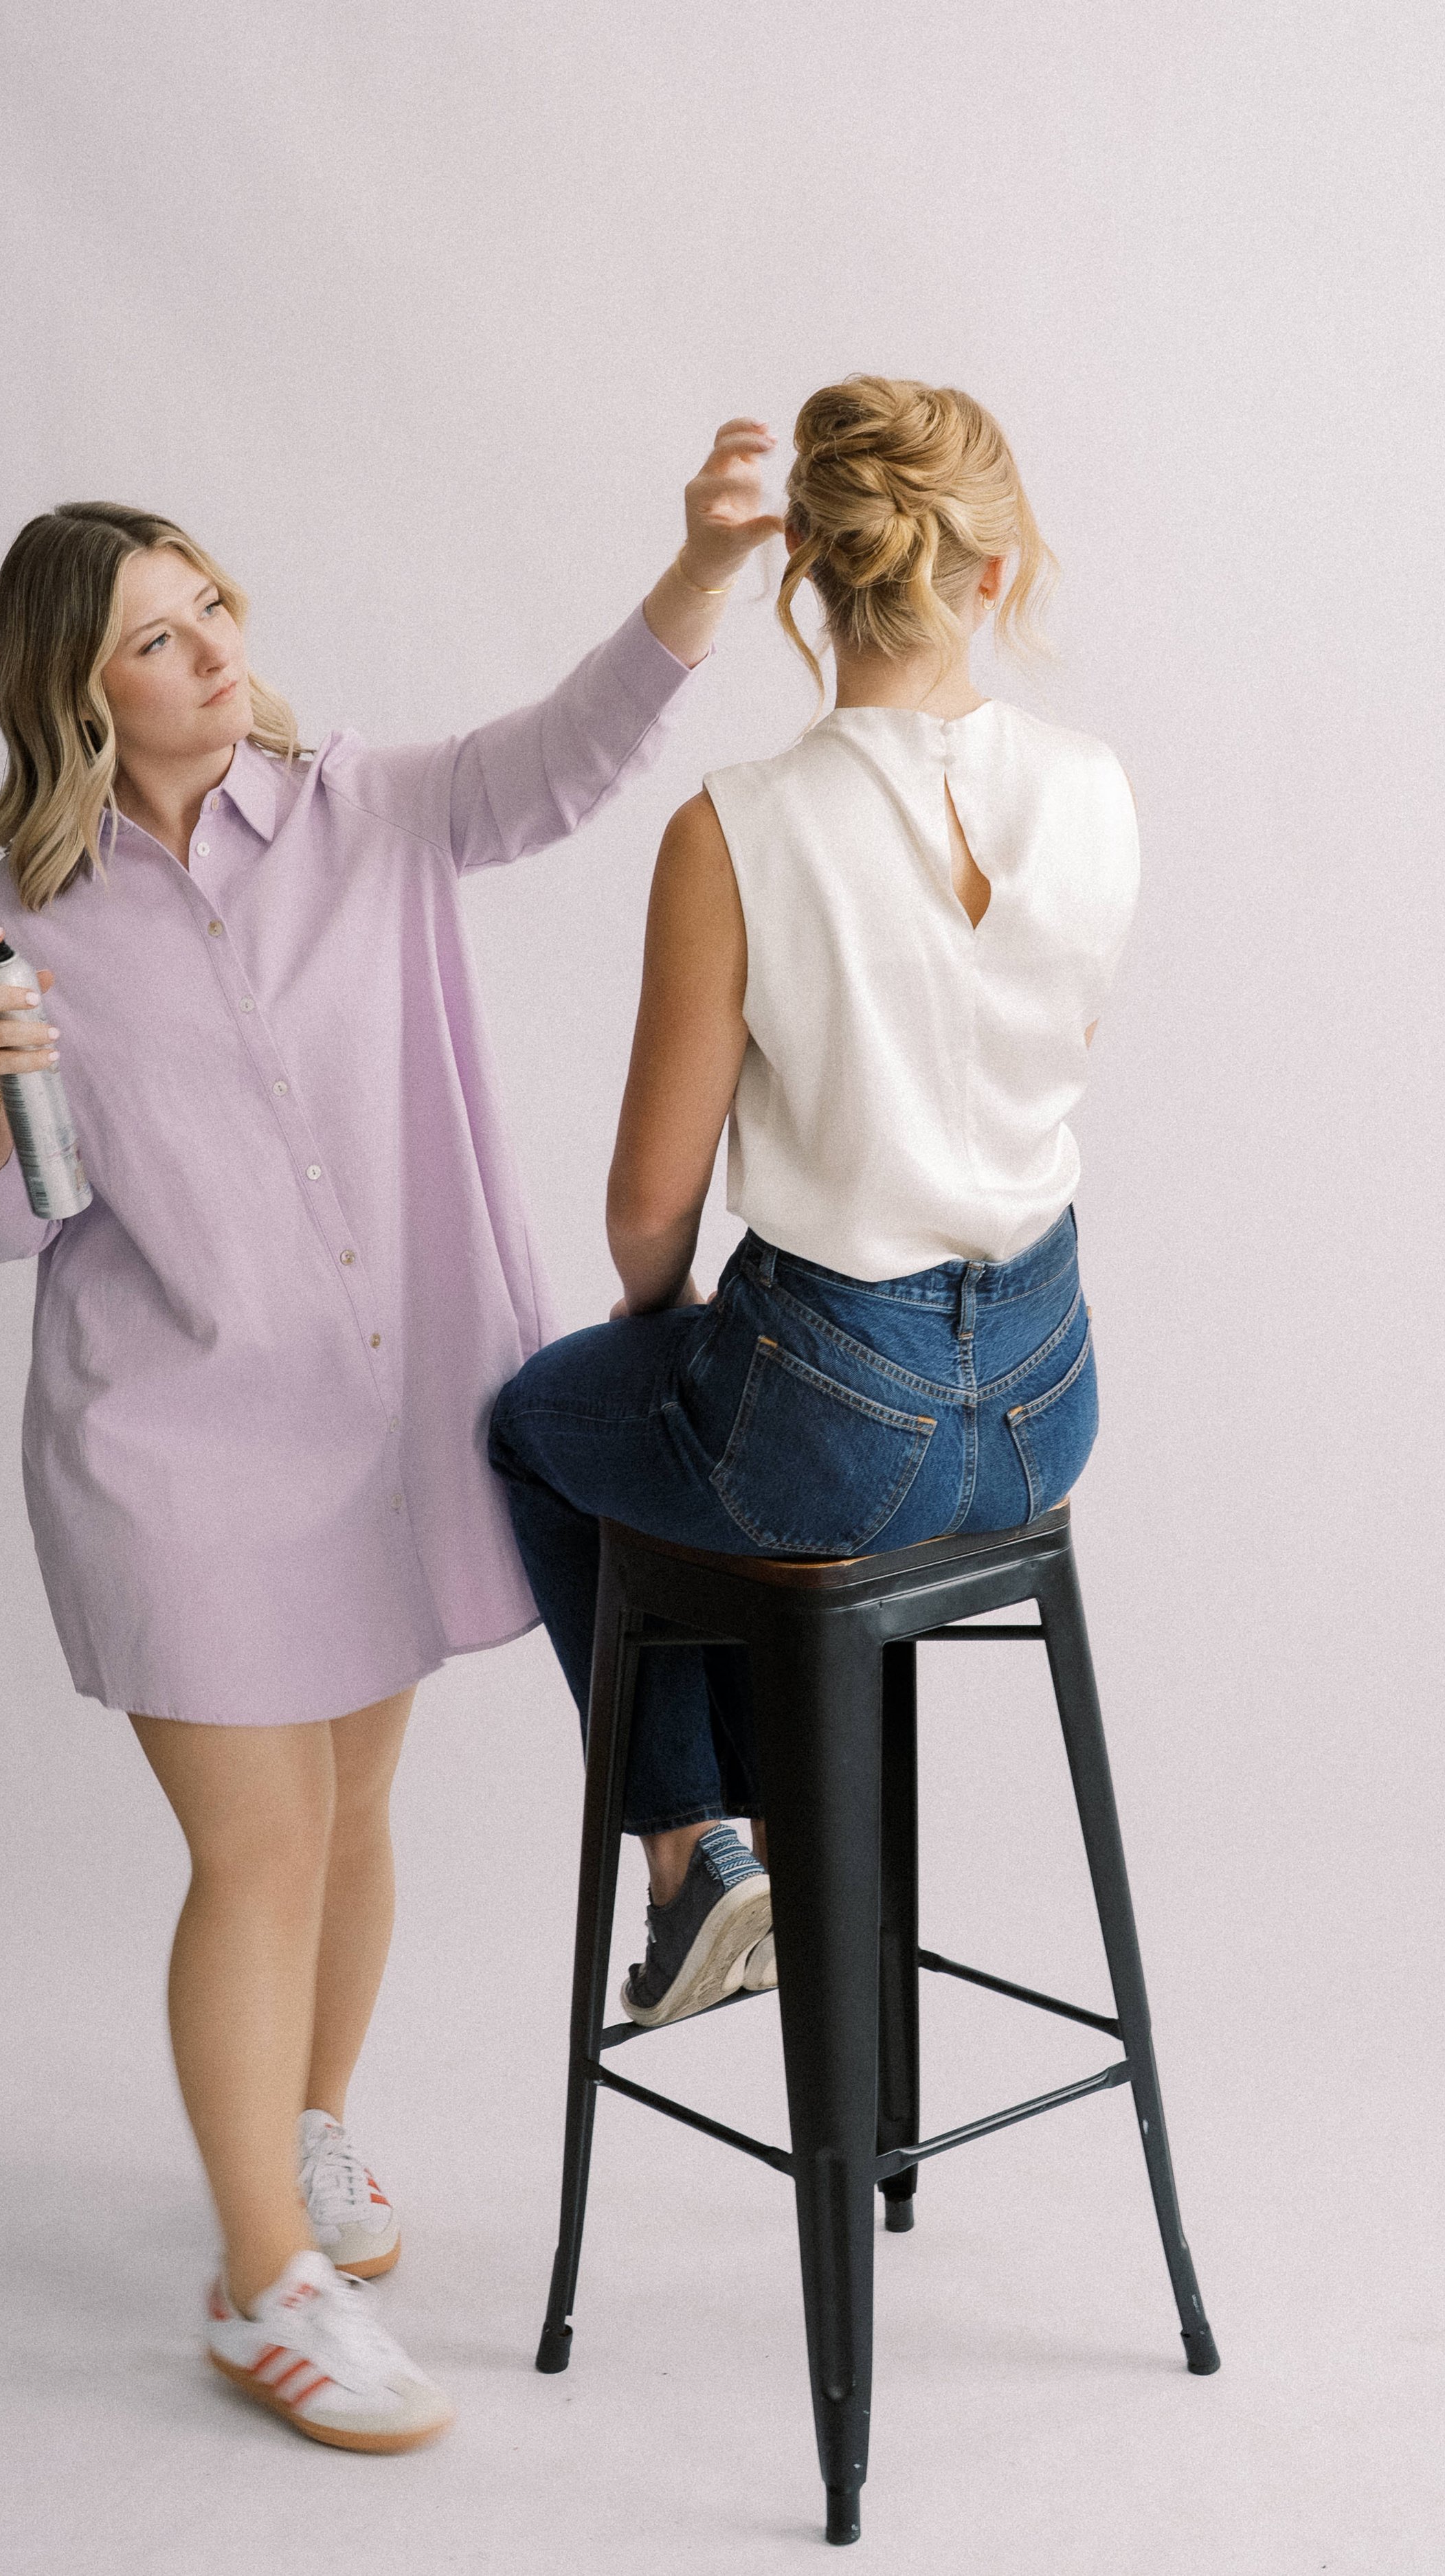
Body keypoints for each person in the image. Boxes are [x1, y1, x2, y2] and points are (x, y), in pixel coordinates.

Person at [0, 422, 781, 2452]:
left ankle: (305, 2141)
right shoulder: (23, 913)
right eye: (155, 636)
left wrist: (699, 571)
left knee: (357, 1813)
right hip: (176, 1456)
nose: (212, 648)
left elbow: (564, 758)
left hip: (384, 1433)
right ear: (76, 694)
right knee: (261, 1841)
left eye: (210, 598)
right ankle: (263, 2288)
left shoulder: (363, 807)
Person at [489, 374, 1139, 2035]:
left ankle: (701, 1856)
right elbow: (1040, 1057)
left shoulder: (738, 829)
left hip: (830, 1424)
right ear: (993, 571)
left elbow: (650, 1205)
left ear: (806, 583)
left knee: (541, 1428)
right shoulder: (1093, 790)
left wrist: (665, 1327)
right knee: (699, 1439)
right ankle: (791, 1885)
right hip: (1046, 1408)